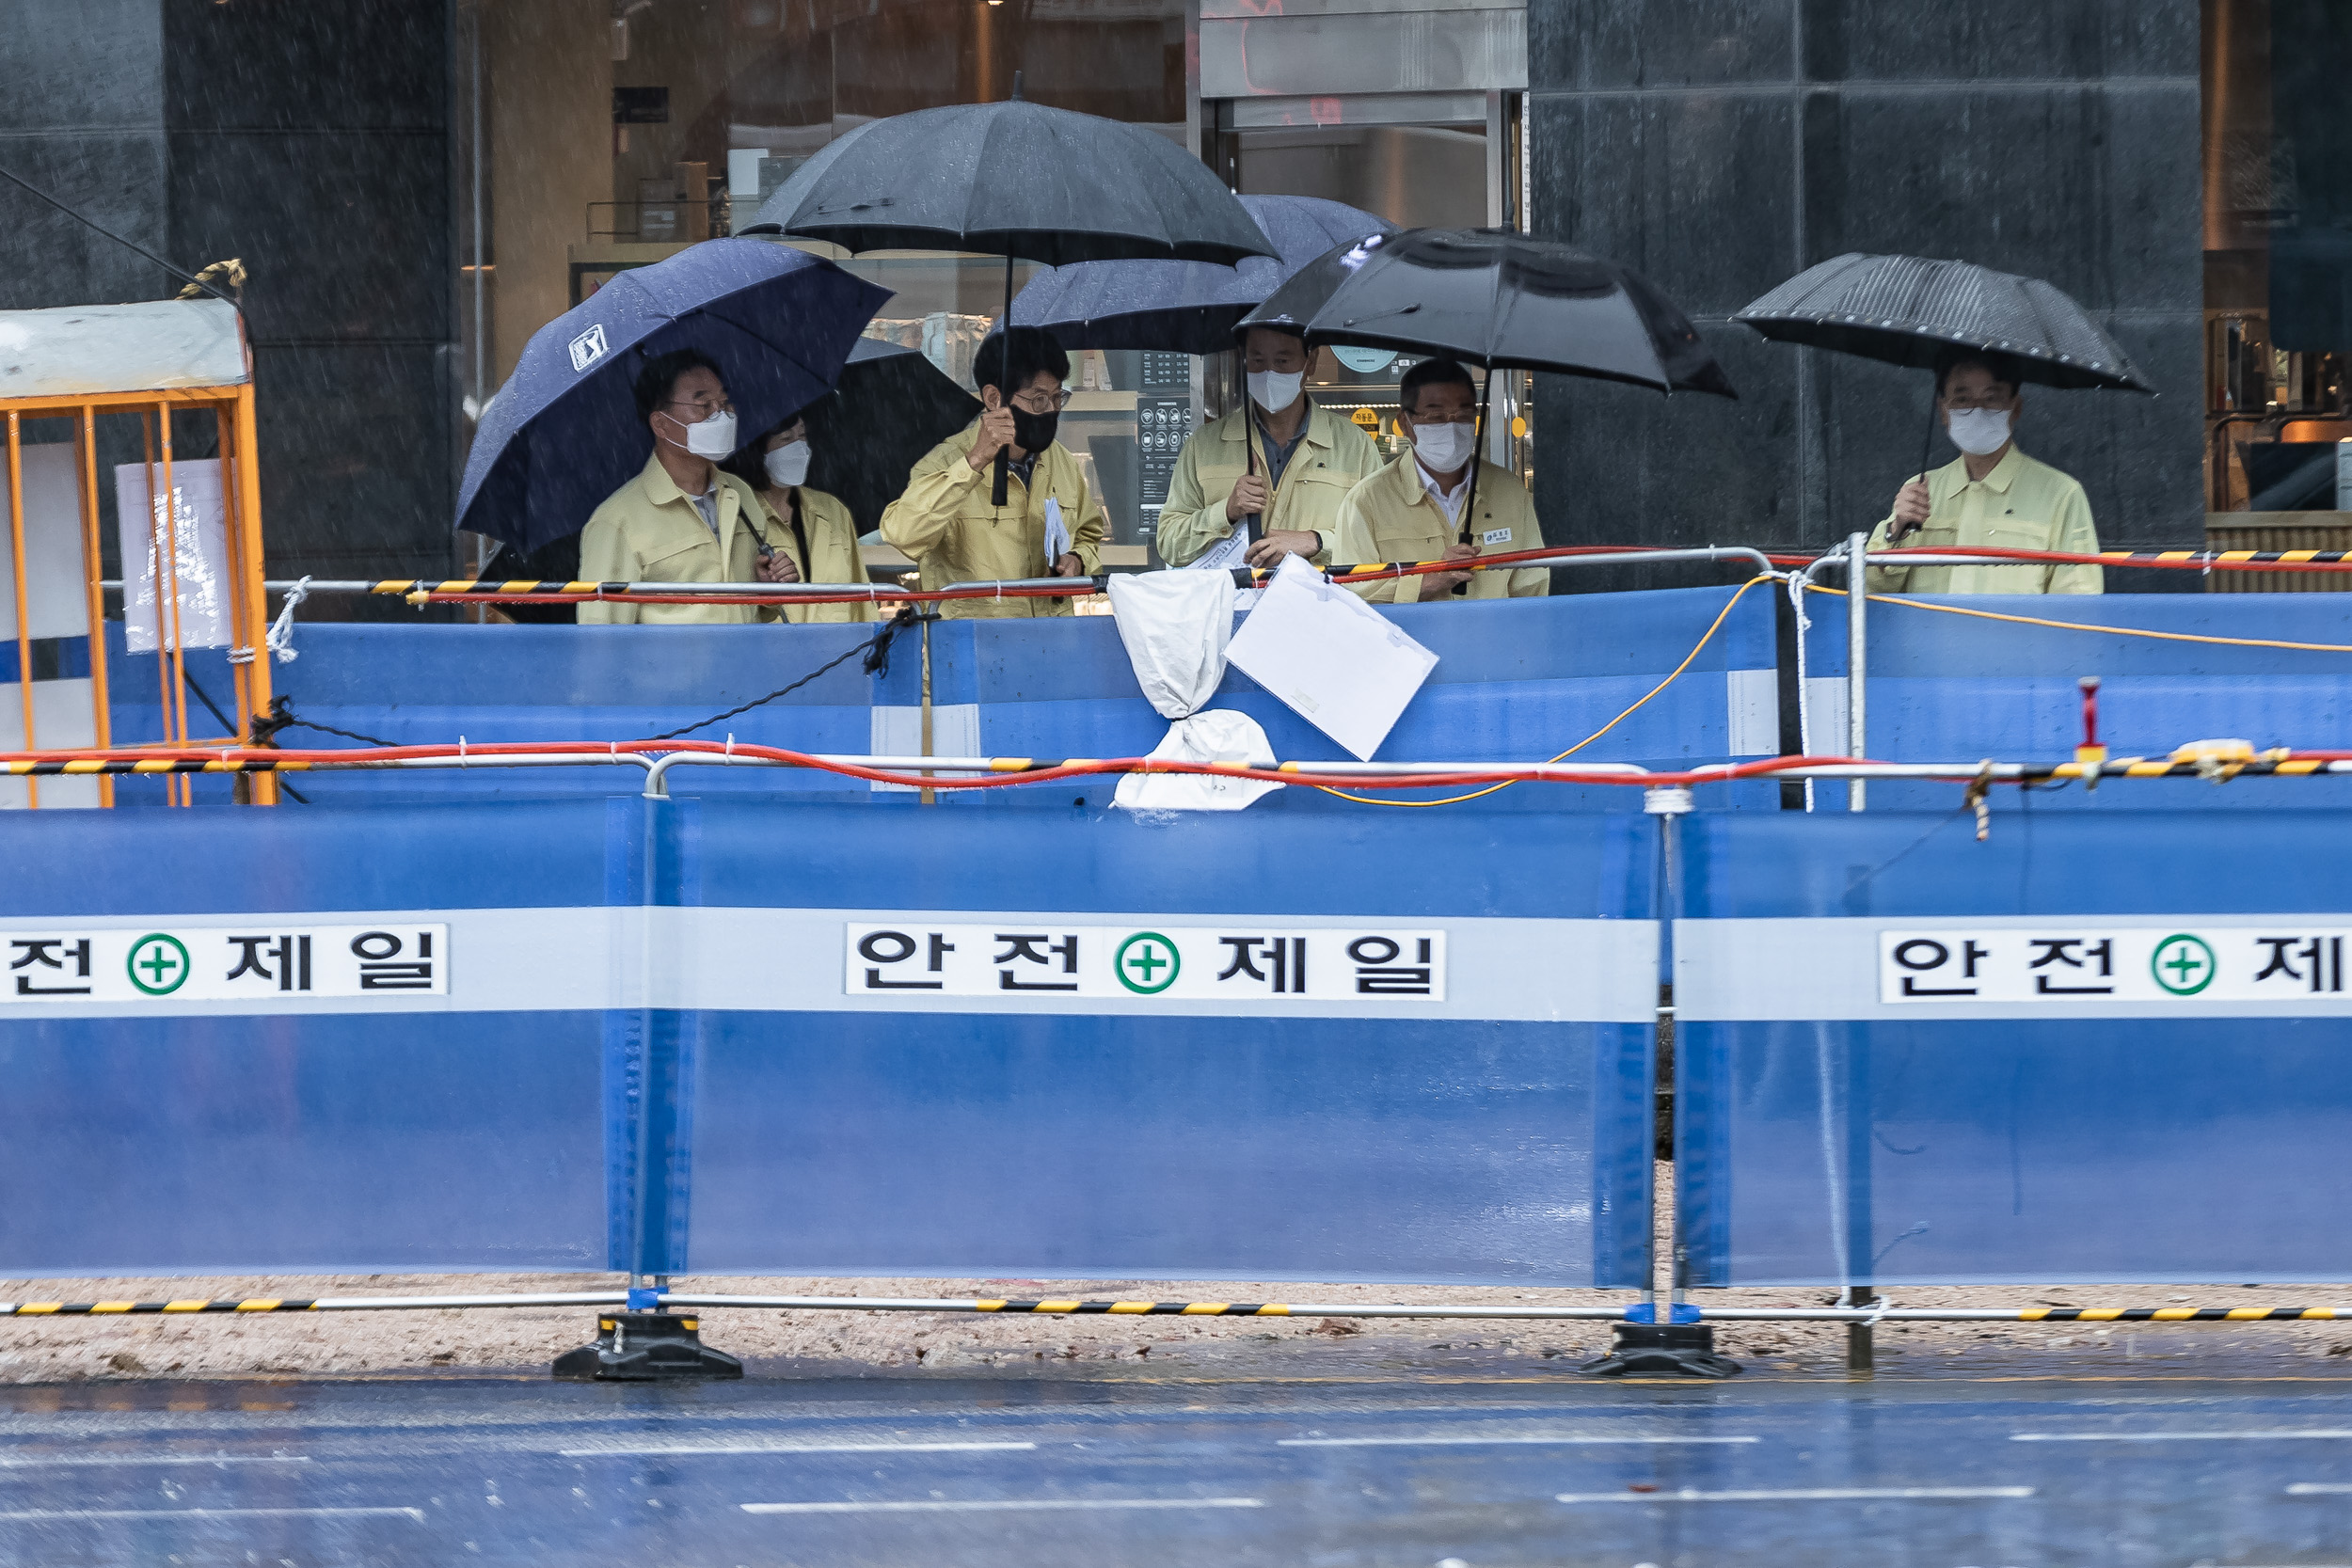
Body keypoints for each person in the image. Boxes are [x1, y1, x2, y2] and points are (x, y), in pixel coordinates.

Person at [879, 326, 1105, 620]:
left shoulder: (1060, 460)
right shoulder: (945, 461)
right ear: (994, 398)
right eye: (1038, 399)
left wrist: (1077, 560)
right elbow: (903, 534)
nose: (1051, 410)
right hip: (973, 647)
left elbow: (1089, 531)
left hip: (1051, 643)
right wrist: (973, 462)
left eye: (1058, 397)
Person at [1866, 352, 2102, 594]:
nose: (1977, 410)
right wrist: (1897, 531)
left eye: (1992, 398)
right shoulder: (1919, 491)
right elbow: (1871, 590)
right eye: (1962, 399)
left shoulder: (2061, 494)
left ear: (2015, 408)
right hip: (1928, 632)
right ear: (1943, 410)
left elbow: (2078, 603)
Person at [1155, 325, 1383, 570]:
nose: (1269, 372)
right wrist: (1226, 511)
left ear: (1311, 361)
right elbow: (1169, 544)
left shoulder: (1355, 447)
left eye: (1282, 360)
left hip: (1318, 605)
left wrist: (1316, 541)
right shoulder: (1204, 445)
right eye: (1257, 360)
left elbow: (1381, 542)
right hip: (1236, 606)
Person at [578, 349, 772, 626]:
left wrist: (769, 590)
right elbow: (602, 639)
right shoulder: (616, 521)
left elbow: (756, 613)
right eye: (704, 406)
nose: (721, 415)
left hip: (745, 667)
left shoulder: (739, 494)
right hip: (668, 671)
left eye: (725, 402)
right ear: (661, 424)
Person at [1330, 357, 1549, 604]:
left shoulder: (1509, 492)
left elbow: (1532, 587)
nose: (1452, 426)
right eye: (1436, 416)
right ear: (1405, 423)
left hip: (1493, 640)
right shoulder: (1366, 502)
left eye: (1464, 415)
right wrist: (1424, 582)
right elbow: (1351, 594)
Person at [719, 414, 876, 625]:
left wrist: (873, 649)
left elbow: (860, 597)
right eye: (786, 439)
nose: (799, 448)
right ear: (758, 449)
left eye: (802, 436)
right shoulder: (737, 514)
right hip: (773, 651)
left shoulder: (833, 510)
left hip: (838, 649)